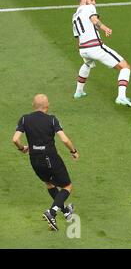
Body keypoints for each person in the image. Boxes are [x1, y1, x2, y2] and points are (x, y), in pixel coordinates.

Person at [12, 94, 79, 231]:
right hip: (50, 158)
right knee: (67, 186)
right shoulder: (52, 120)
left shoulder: (24, 119)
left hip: (34, 160)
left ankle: (65, 211)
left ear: (33, 105)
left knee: (49, 183)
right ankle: (52, 212)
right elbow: (65, 140)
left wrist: (22, 148)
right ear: (47, 106)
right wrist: (73, 151)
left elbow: (15, 139)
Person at [72, 0, 131, 107]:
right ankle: (121, 97)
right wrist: (105, 28)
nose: (94, 2)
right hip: (95, 46)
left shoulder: (75, 16)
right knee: (125, 67)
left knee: (87, 64)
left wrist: (82, 51)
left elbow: (77, 36)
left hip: (83, 48)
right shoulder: (89, 7)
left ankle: (78, 92)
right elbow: (94, 19)